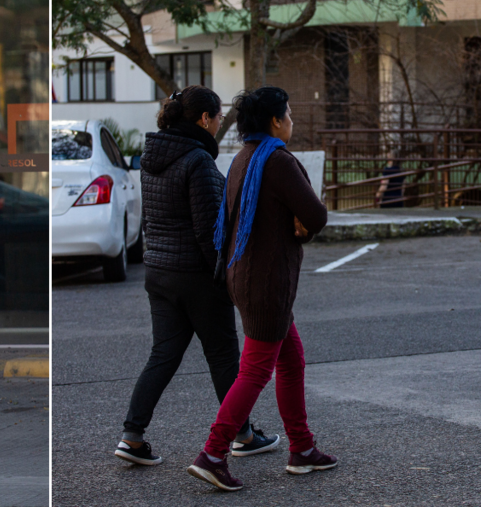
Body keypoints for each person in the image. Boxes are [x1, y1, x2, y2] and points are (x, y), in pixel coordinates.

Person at [114, 85, 279, 467]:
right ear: (204, 119)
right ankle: (243, 435)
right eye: (219, 117)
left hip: (158, 272)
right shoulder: (198, 161)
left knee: (163, 355)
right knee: (223, 356)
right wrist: (225, 276)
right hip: (196, 275)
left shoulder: (152, 157)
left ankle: (132, 436)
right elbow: (209, 231)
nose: (221, 124)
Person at [187, 86, 334, 491]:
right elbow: (316, 215)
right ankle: (213, 453)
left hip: (245, 276)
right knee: (255, 370)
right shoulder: (278, 161)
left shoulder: (243, 157)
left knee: (291, 360)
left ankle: (302, 449)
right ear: (274, 120)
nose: (291, 120)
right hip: (268, 282)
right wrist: (300, 225)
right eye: (287, 113)